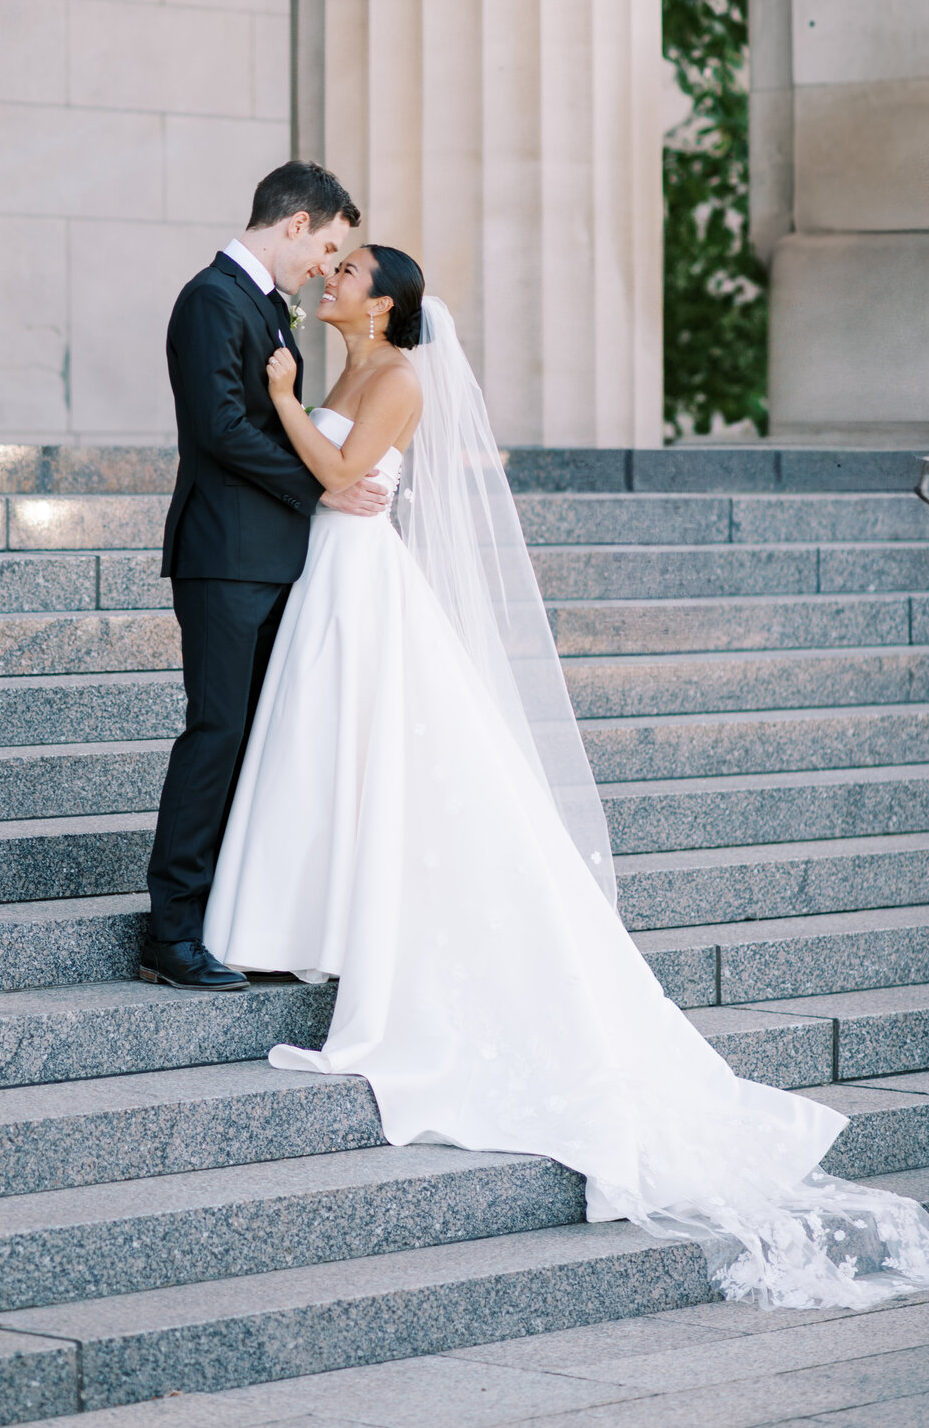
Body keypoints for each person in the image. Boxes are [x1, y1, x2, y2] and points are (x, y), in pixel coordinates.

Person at [203, 243, 929, 1310]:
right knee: (325, 759)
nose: (334, 278)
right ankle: (304, 921)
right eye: (337, 264)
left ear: (388, 300)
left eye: (351, 269)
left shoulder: (395, 377)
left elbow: (346, 481)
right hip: (331, 577)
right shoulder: (343, 369)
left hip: (364, 580)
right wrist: (294, 400)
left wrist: (278, 400)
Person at [140, 162, 389, 993]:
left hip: (272, 559)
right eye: (325, 245)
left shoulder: (264, 308)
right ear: (294, 223)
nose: (326, 264)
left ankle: (225, 916)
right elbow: (217, 430)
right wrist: (320, 483)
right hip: (224, 561)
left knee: (250, 740)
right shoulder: (211, 300)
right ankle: (171, 933)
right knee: (215, 734)